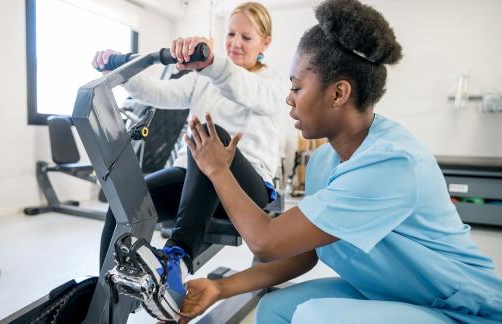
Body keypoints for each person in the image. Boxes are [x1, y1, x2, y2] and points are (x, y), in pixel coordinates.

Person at [176, 0, 502, 323]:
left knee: (314, 316)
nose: (289, 98)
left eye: (297, 87)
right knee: (274, 309)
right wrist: (221, 287)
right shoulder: (322, 163)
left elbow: (265, 241)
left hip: (459, 309)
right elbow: (304, 253)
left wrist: (217, 169)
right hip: (387, 292)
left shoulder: (392, 163)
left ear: (338, 93)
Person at [92, 1, 286, 305]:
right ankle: (105, 293)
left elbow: (241, 88)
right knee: (126, 202)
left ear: (265, 42)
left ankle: (176, 260)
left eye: (246, 38)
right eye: (231, 34)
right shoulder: (204, 79)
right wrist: (121, 72)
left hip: (248, 190)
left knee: (210, 138)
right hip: (195, 175)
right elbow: (156, 93)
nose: (235, 43)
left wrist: (212, 65)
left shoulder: (272, 84)